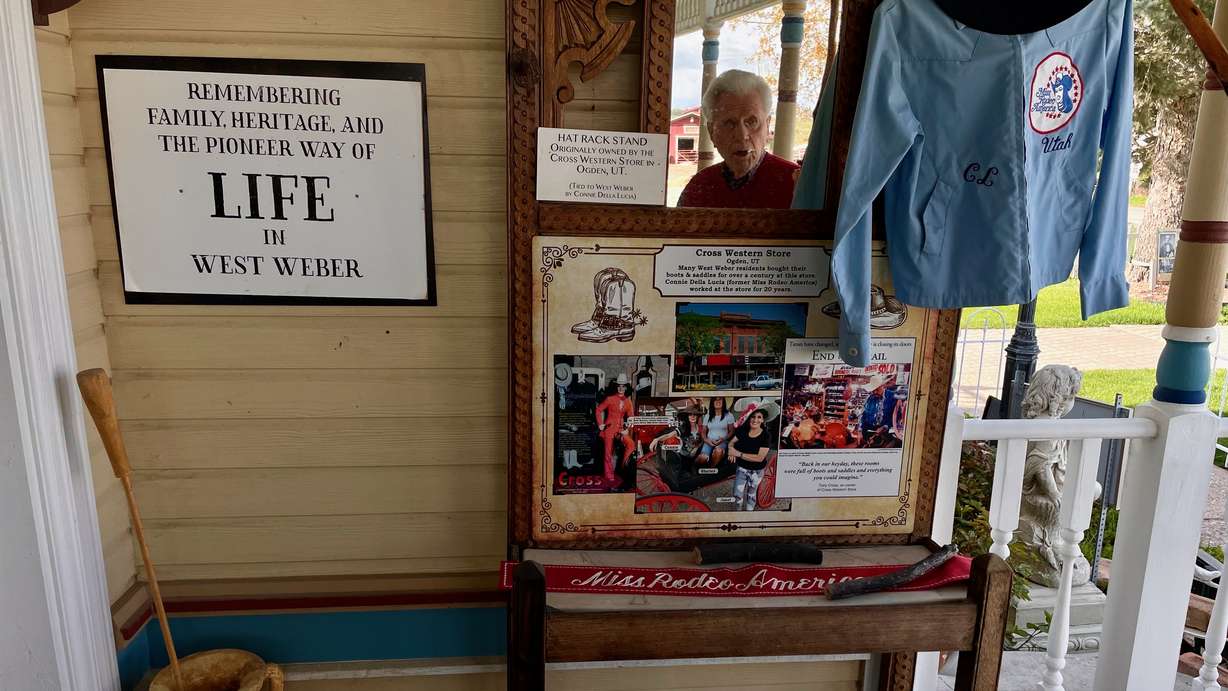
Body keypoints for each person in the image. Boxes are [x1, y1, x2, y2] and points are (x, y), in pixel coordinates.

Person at [677, 70, 799, 209]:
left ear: (767, 126)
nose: (742, 135)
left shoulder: (795, 184)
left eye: (752, 122)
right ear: (712, 132)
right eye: (730, 123)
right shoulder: (699, 187)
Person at [729, 408, 775, 511]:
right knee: (737, 494)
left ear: (763, 420)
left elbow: (759, 458)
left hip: (757, 471)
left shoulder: (766, 436)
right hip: (742, 469)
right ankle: (738, 512)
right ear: (749, 418)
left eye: (759, 417)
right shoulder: (742, 430)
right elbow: (731, 442)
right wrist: (730, 450)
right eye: (753, 417)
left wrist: (738, 454)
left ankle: (749, 514)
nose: (755, 420)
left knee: (751, 494)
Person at [595, 374, 634, 487]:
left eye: (623, 386)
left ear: (626, 387)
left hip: (621, 430)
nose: (621, 389)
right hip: (609, 429)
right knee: (608, 453)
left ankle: (622, 468)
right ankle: (609, 475)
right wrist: (600, 424)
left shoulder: (628, 401)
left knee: (631, 445)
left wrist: (627, 429)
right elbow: (598, 410)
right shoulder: (610, 399)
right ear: (616, 387)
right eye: (619, 386)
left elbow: (631, 417)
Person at [699, 397, 735, 465]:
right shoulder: (708, 415)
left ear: (723, 401)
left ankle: (711, 470)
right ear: (712, 402)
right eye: (715, 399)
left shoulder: (729, 415)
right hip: (709, 441)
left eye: (720, 399)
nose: (718, 401)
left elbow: (731, 431)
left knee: (718, 451)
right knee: (702, 458)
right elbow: (703, 431)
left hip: (722, 441)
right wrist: (707, 440)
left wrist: (723, 439)